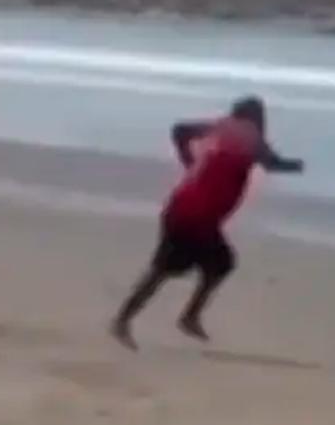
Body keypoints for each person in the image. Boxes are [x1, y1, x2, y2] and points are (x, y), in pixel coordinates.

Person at [111, 96, 304, 350]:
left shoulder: (221, 126)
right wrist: (300, 165)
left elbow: (179, 130)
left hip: (186, 210)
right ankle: (125, 321)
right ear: (257, 118)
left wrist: (188, 160)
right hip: (194, 217)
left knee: (216, 264)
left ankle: (183, 317)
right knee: (167, 270)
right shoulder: (250, 136)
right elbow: (271, 163)